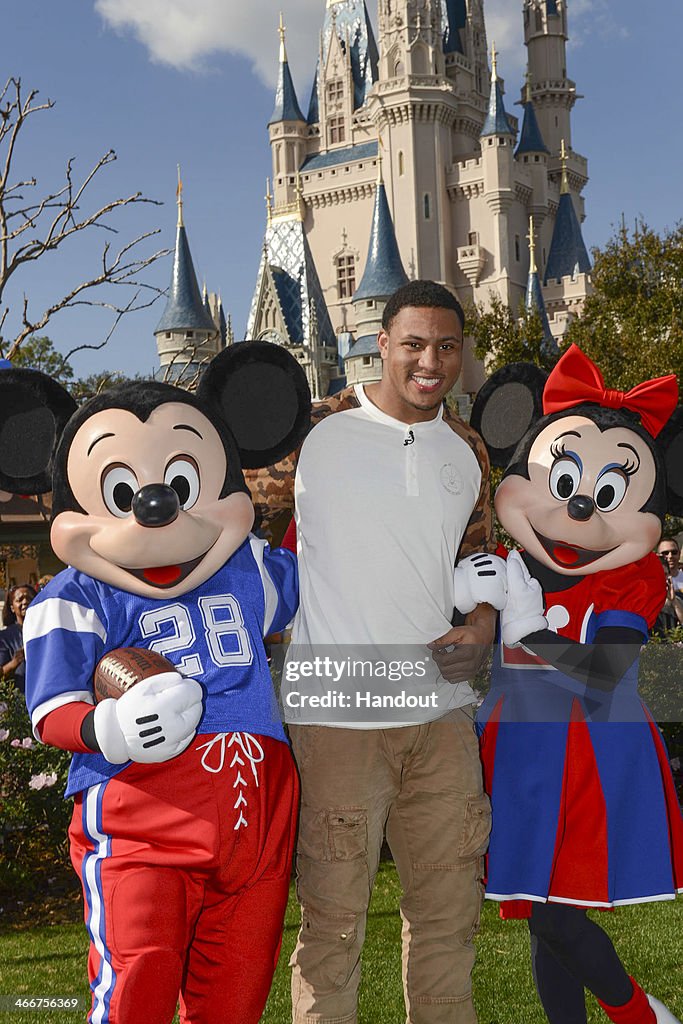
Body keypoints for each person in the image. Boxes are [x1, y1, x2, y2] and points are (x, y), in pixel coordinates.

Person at [250, 280, 499, 1024]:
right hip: (336, 717)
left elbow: (479, 555)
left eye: (446, 346)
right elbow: (232, 528)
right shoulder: (313, 429)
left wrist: (483, 621)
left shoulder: (467, 446)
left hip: (441, 718)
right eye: (414, 344)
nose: (431, 361)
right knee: (332, 929)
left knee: (450, 924)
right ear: (381, 343)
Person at [471, 346, 683, 1024]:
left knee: (557, 914)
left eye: (608, 493)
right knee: (537, 912)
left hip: (586, 756)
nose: (582, 504)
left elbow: (607, 673)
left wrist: (532, 635)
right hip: (514, 752)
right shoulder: (505, 563)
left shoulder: (628, 577)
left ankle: (635, 1014)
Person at [0, 583, 37, 693]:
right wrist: (15, 662)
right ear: (12, 607)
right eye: (20, 599)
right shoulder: (5, 637)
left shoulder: (47, 630)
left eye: (29, 598)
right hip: (20, 700)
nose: (25, 602)